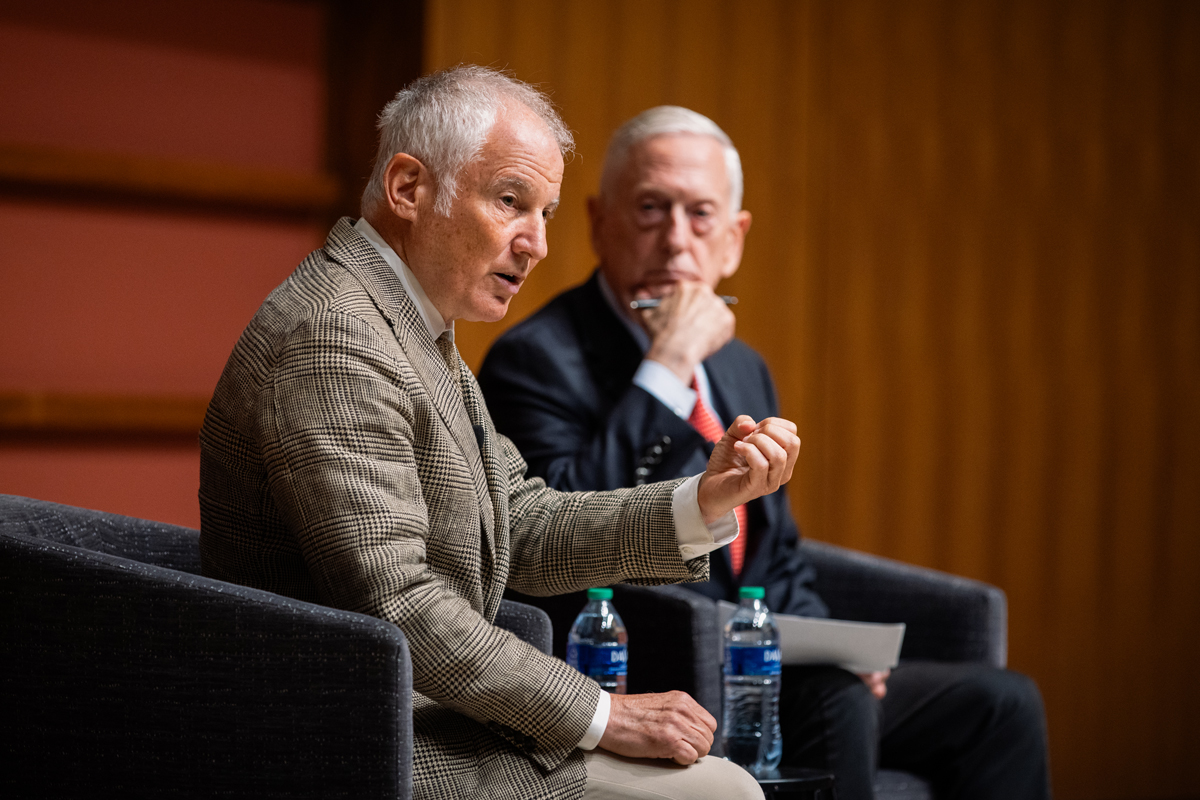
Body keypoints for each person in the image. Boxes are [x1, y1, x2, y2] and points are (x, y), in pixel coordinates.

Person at [198, 69, 799, 800]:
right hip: (361, 743)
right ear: (409, 188)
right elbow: (401, 603)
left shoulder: (410, 322)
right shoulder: (337, 337)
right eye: (511, 202)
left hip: (426, 719)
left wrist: (701, 502)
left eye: (545, 212)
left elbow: (520, 519)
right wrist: (604, 715)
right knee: (722, 792)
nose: (538, 244)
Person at [478, 106, 1052, 800]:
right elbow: (562, 527)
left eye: (700, 216)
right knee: (834, 700)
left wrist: (833, 643)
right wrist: (667, 364)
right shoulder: (534, 358)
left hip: (761, 660)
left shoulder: (742, 368)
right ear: (601, 223)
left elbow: (776, 551)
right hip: (642, 662)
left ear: (734, 240)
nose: (676, 241)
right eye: (652, 209)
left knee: (1002, 705)